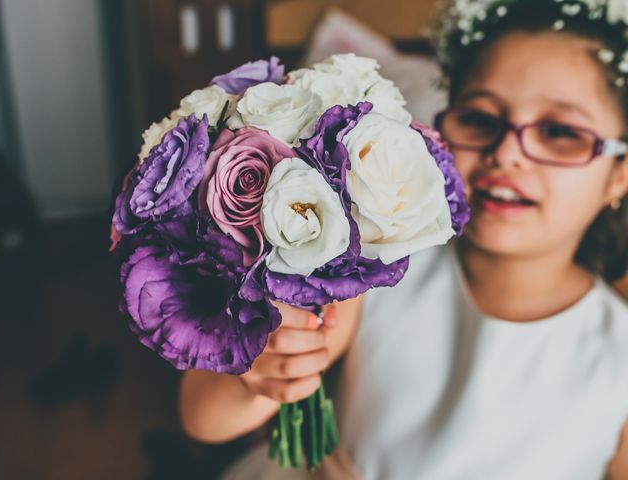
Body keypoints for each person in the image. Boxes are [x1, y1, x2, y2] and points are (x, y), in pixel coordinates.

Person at [179, 1, 628, 478]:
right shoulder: (374, 268)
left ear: (619, 175)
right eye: (480, 120)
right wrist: (256, 376)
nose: (508, 154)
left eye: (560, 132)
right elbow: (204, 419)